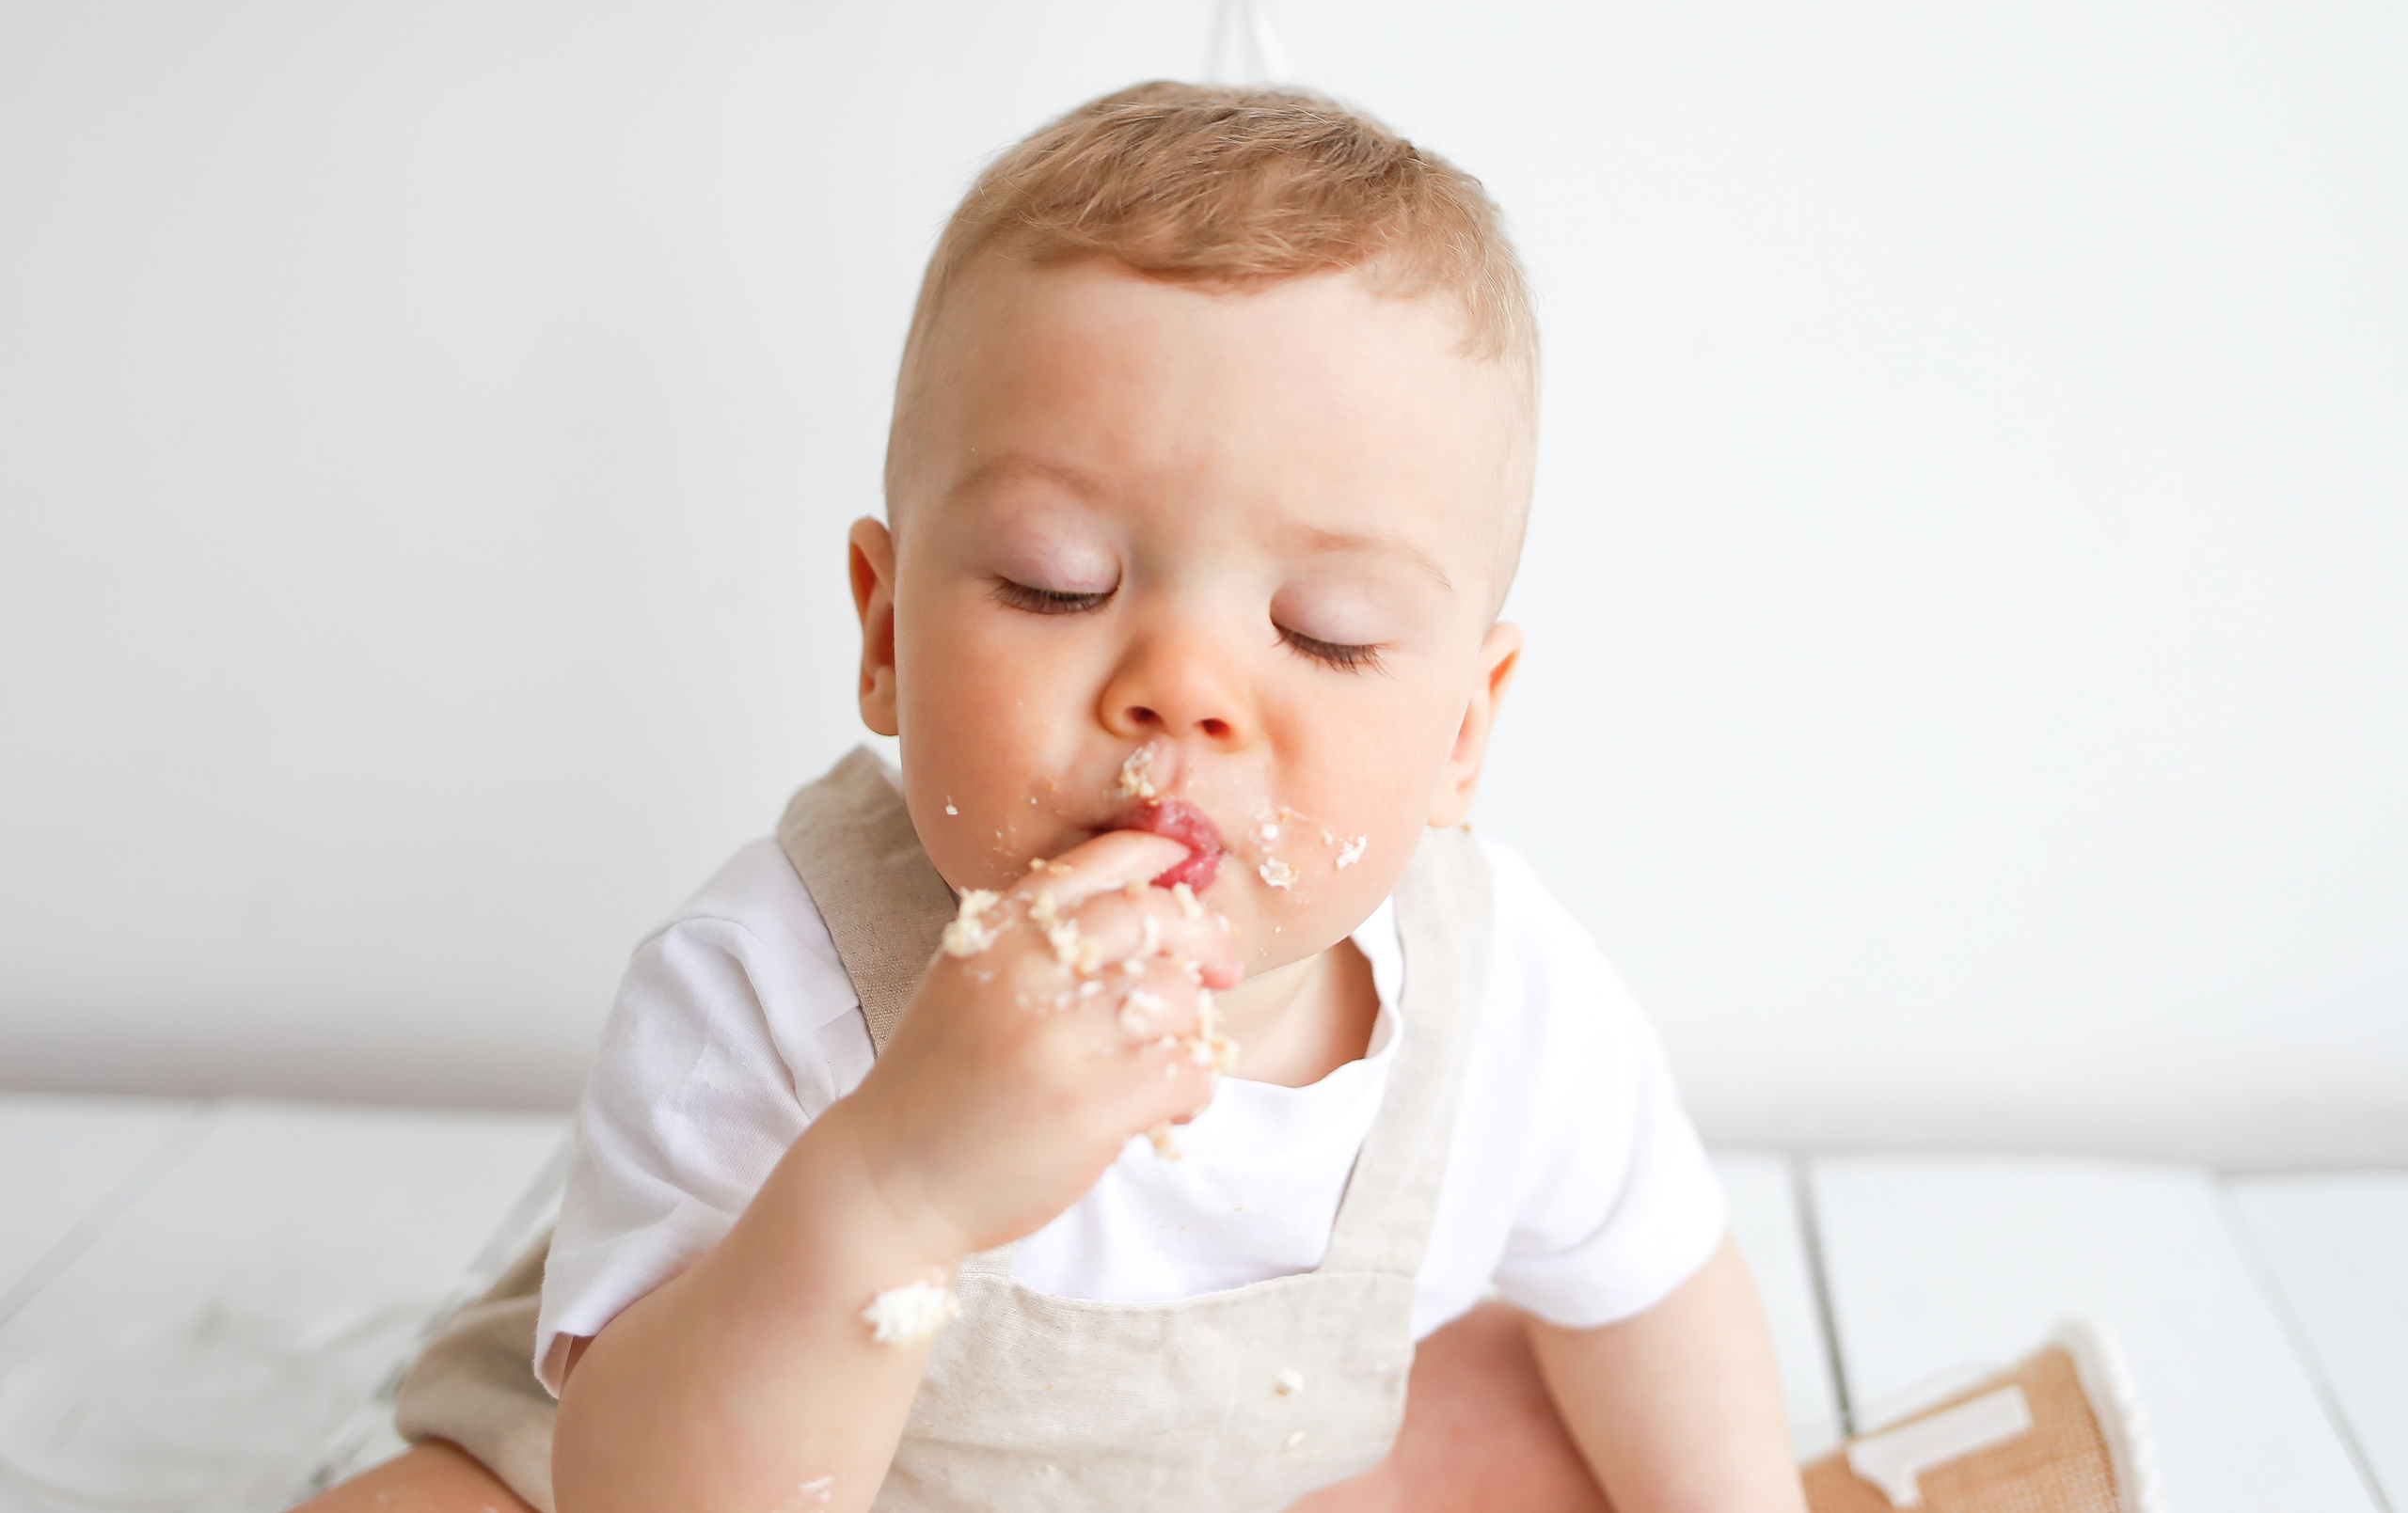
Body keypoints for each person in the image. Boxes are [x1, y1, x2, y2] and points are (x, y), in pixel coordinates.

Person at [300, 82, 1807, 1513]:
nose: (1183, 689)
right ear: (886, 637)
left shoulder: (1504, 1003)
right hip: (696, 1460)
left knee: (1555, 1419)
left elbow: (1655, 1286)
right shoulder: (772, 988)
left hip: (1216, 1472)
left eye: (1326, 628)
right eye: (1056, 583)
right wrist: (896, 1186)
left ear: (1466, 729)